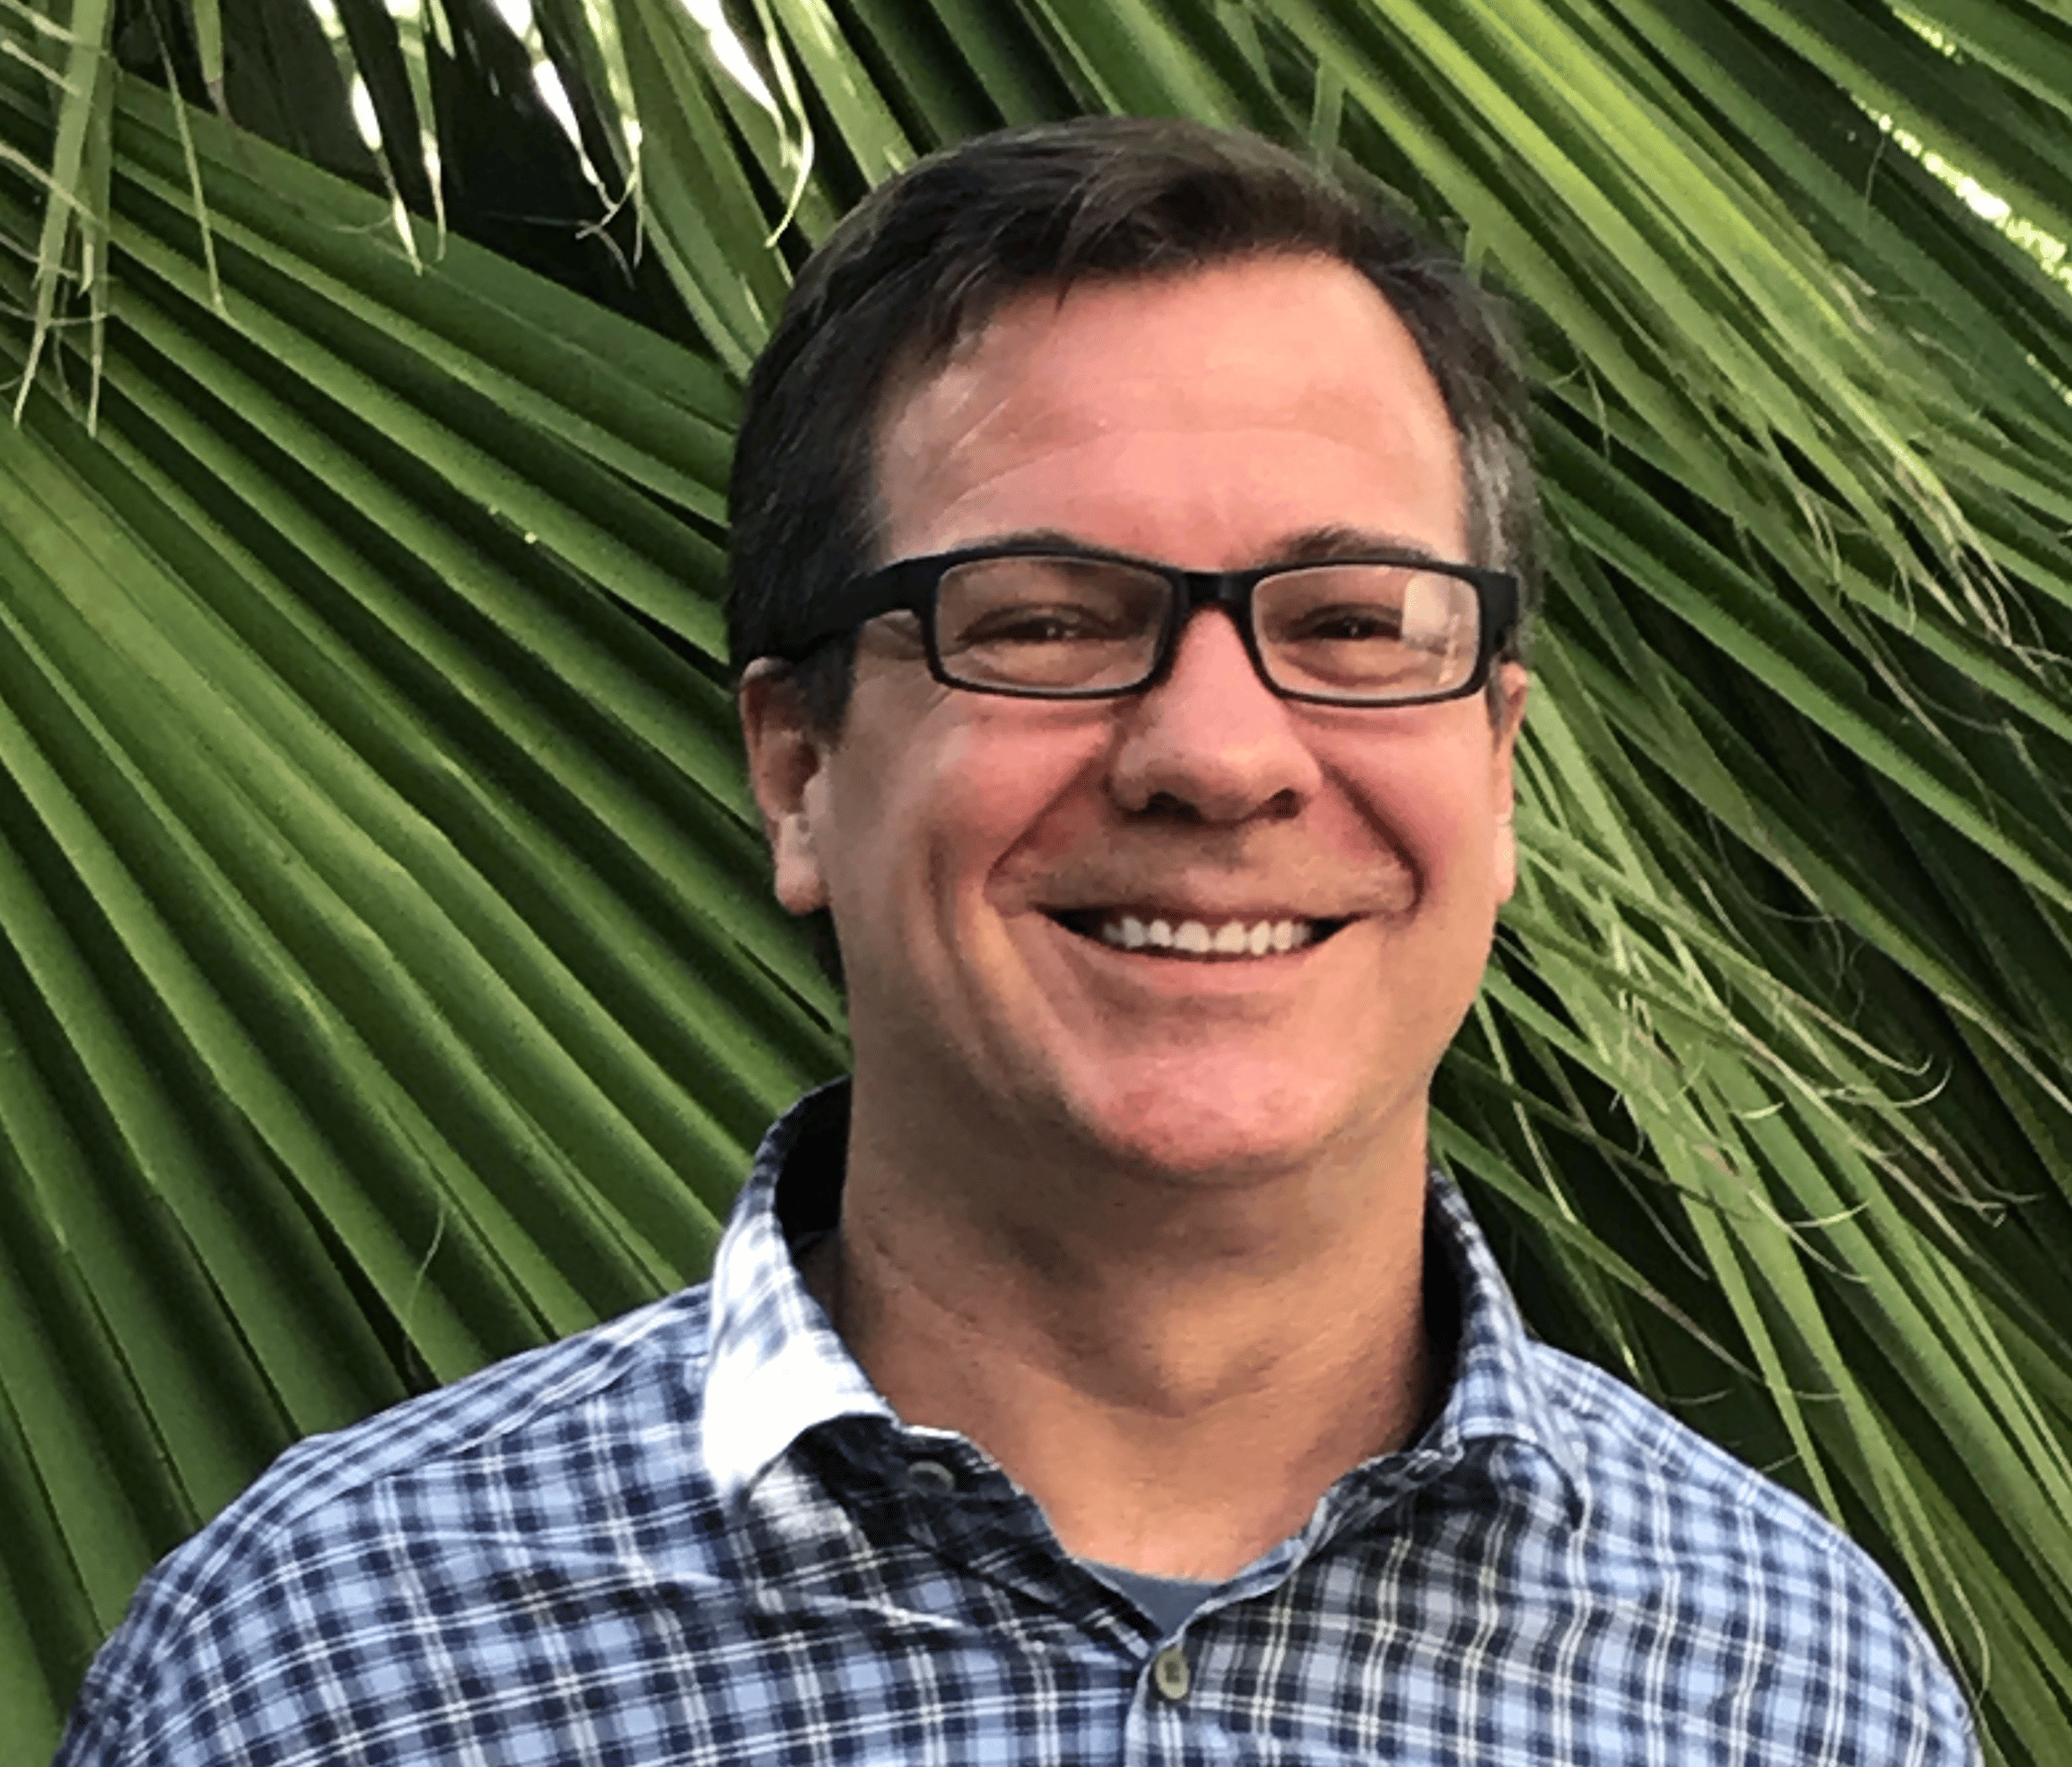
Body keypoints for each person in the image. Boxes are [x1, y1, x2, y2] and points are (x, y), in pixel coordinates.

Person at [54, 116, 1977, 1766]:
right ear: (798, 769)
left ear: (1493, 762)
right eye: (1043, 618)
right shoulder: (320, 1672)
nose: (1218, 753)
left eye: (1348, 623)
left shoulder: (1794, 1689)